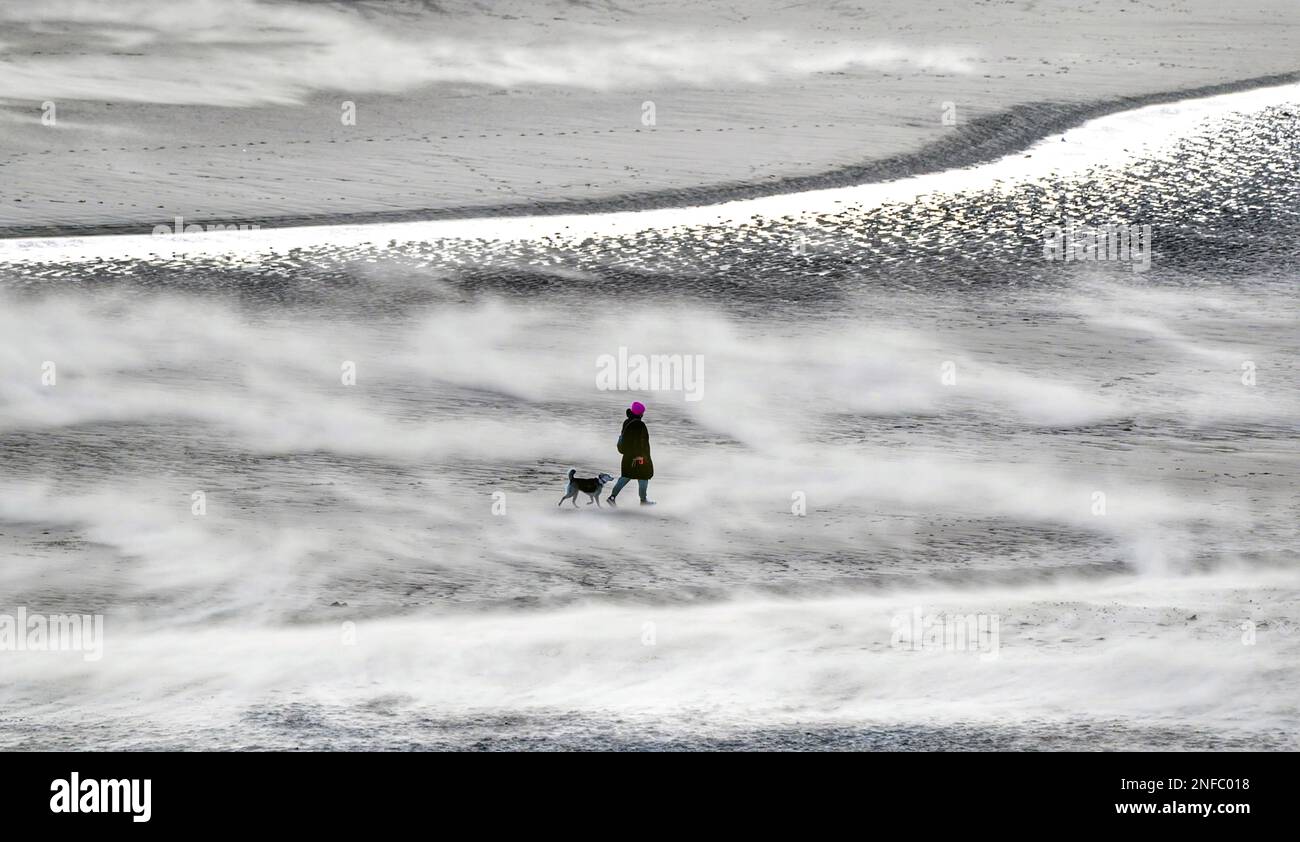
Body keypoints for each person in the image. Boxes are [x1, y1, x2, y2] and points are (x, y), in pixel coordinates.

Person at [608, 400, 654, 505]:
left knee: (625, 477)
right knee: (643, 477)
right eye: (642, 412)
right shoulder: (640, 424)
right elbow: (641, 443)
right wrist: (642, 457)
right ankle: (643, 500)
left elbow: (628, 440)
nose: (643, 414)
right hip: (638, 457)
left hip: (627, 456)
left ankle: (612, 497)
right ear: (640, 413)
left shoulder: (627, 422)